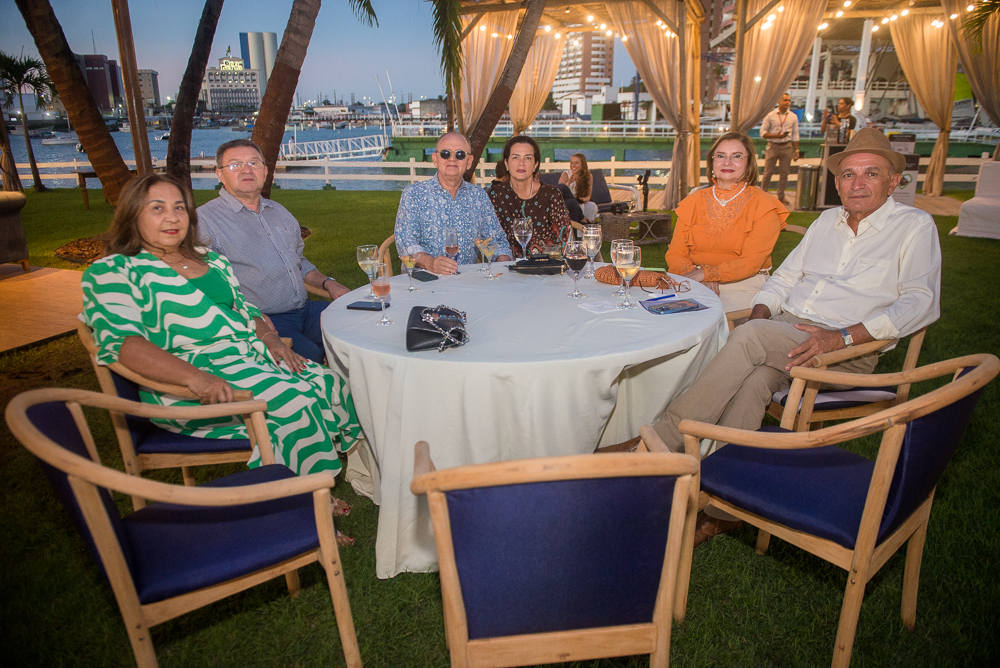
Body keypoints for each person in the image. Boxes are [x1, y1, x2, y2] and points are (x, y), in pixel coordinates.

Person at [653, 128, 941, 543]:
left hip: (847, 349)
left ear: (893, 181)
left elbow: (920, 302)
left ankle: (662, 444)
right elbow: (784, 277)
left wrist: (840, 337)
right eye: (847, 174)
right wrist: (762, 312)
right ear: (837, 181)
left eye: (871, 173)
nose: (856, 183)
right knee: (753, 380)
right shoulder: (827, 221)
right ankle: (717, 501)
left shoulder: (914, 226)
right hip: (789, 329)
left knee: (750, 339)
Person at [80, 174, 363, 495]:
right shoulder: (113, 271)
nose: (172, 217)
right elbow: (124, 344)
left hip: (248, 361)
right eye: (157, 208)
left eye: (179, 208)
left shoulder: (211, 262)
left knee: (331, 383)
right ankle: (301, 503)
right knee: (293, 403)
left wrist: (270, 338)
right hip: (187, 385)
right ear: (132, 215)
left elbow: (246, 311)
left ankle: (326, 483)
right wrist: (195, 379)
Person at [197, 139, 348, 365]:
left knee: (359, 326)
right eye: (235, 164)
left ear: (266, 171)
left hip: (306, 311)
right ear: (219, 174)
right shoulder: (205, 221)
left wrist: (328, 283)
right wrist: (246, 314)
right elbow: (204, 286)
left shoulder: (279, 212)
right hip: (266, 321)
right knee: (314, 359)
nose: (247, 169)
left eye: (254, 163)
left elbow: (298, 262)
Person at [665, 132, 789, 312]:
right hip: (692, 280)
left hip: (744, 285)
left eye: (737, 156)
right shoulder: (694, 201)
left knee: (703, 315)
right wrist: (700, 277)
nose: (727, 162)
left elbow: (751, 262)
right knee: (656, 311)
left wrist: (707, 273)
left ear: (749, 163)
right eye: (720, 156)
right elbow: (675, 253)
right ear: (712, 163)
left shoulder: (764, 204)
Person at [395, 132, 512, 274]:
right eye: (445, 153)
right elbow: (406, 245)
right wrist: (430, 263)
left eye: (460, 154)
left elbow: (497, 240)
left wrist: (503, 263)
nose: (452, 159)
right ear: (435, 159)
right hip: (425, 282)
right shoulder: (413, 194)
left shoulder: (479, 196)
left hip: (467, 283)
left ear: (469, 162)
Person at [489, 135, 572, 258]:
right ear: (506, 164)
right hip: (508, 268)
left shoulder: (551, 194)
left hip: (547, 267)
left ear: (535, 165)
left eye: (527, 158)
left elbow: (565, 240)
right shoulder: (496, 195)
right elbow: (491, 239)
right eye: (515, 157)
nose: (521, 163)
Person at [759, 94, 799, 204]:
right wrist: (776, 136)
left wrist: (796, 150)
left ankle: (781, 195)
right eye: (785, 100)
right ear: (779, 101)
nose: (787, 102)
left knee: (784, 172)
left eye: (789, 100)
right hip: (773, 146)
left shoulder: (793, 116)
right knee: (768, 172)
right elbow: (762, 133)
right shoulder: (771, 115)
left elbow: (795, 134)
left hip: (787, 146)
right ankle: (763, 194)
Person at [559, 152, 598, 222]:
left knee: (592, 206)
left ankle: (587, 226)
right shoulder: (566, 175)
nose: (573, 165)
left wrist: (583, 199)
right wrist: (569, 182)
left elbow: (588, 196)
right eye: (571, 163)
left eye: (576, 163)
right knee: (576, 205)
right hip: (568, 204)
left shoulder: (588, 176)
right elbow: (558, 193)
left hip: (580, 202)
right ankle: (579, 228)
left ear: (582, 164)